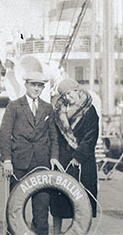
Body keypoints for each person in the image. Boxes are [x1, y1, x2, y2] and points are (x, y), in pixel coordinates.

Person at [0, 71, 62, 235]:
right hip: (19, 165)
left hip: (42, 165)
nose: (37, 88)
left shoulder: (48, 108)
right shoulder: (14, 106)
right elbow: (4, 134)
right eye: (34, 84)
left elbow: (54, 136)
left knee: (41, 212)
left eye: (40, 85)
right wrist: (7, 160)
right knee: (15, 210)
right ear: (26, 85)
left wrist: (53, 157)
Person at [49, 78, 99, 235]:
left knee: (81, 200)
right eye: (64, 95)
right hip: (63, 161)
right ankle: (56, 232)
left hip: (83, 162)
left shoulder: (89, 110)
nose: (67, 98)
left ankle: (79, 231)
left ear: (77, 91)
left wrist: (78, 157)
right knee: (59, 198)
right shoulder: (58, 112)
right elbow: (55, 137)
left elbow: (91, 137)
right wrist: (55, 157)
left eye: (69, 94)